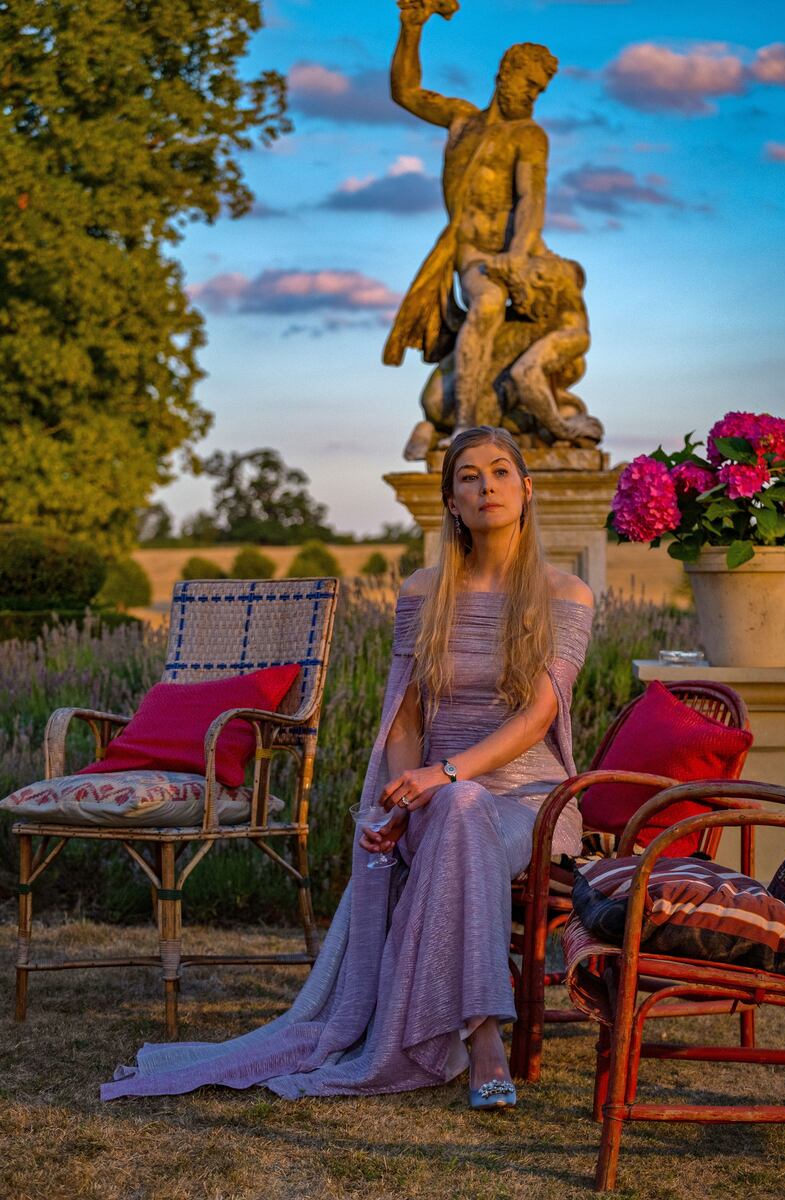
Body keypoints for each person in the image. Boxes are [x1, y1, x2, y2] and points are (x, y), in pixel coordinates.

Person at [101, 426, 593, 1108]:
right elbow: (408, 720)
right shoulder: (425, 591)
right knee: (457, 810)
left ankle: (480, 1036)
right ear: (451, 500)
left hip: (531, 797)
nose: (487, 487)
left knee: (465, 804)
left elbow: (537, 717)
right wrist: (402, 798)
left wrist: (444, 776)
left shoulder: (566, 594)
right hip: (439, 796)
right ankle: (483, 1037)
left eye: (502, 472)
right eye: (470, 477)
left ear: (526, 488)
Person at [384, 0, 559, 441]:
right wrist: (412, 28)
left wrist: (518, 255)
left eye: (539, 91)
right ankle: (465, 424)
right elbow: (406, 92)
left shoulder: (529, 136)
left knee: (519, 304)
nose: (531, 96)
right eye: (529, 84)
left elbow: (530, 199)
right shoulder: (463, 120)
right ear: (506, 72)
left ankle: (482, 417)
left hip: (511, 252)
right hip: (467, 251)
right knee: (483, 303)